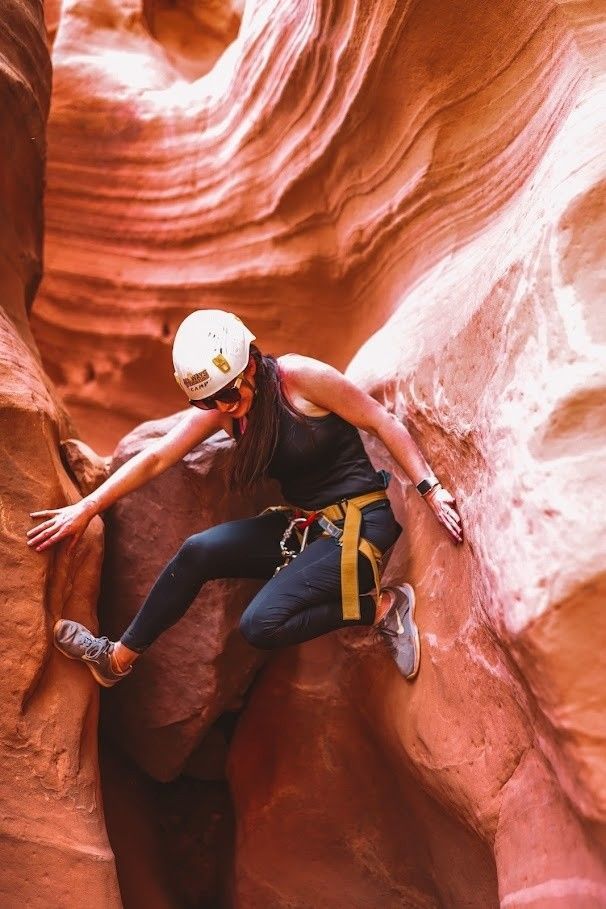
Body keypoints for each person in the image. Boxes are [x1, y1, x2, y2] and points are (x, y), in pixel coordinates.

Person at [28, 310, 463, 687]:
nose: (225, 407)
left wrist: (431, 488)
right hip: (307, 526)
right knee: (198, 552)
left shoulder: (300, 379)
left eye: (230, 393)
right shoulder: (227, 405)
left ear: (251, 363)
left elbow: (381, 421)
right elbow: (158, 457)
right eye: (209, 401)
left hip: (360, 524)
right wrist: (87, 507)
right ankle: (116, 660)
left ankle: (384, 607)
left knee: (259, 624)